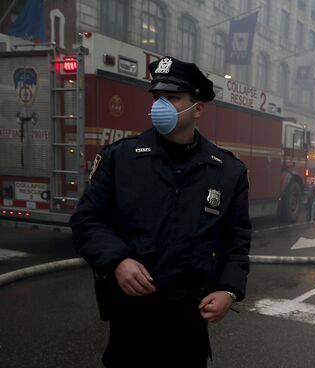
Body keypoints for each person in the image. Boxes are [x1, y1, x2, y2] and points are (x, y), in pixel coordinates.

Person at [70, 56, 251, 368]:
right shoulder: (121, 159)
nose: (160, 106)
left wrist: (229, 290)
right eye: (156, 98)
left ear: (198, 108)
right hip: (132, 322)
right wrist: (118, 260)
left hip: (188, 327)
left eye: (172, 98)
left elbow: (236, 240)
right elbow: (87, 220)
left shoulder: (227, 171)